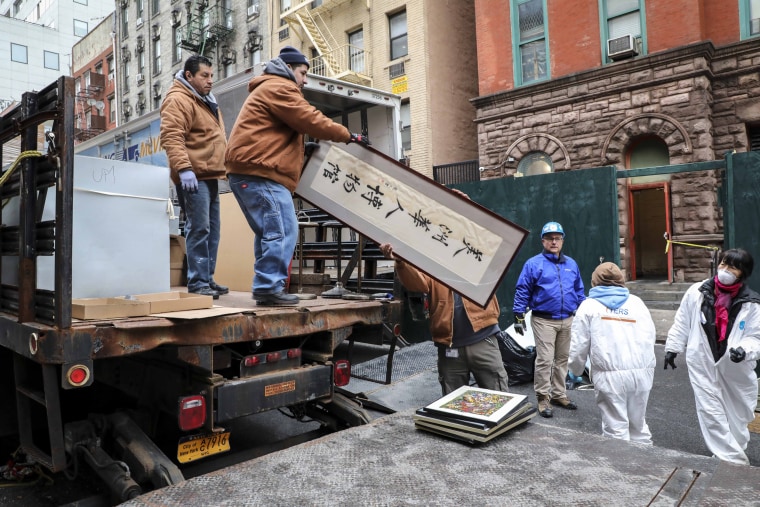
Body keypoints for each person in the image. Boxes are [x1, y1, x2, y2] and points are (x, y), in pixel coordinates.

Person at [225, 46, 365, 306]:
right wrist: (348, 135)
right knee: (283, 229)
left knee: (270, 232)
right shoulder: (280, 86)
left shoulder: (269, 88)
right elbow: (309, 119)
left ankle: (268, 285)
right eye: (302, 72)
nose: (305, 80)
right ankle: (268, 287)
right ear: (288, 68)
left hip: (250, 171)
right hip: (260, 174)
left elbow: (280, 135)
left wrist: (302, 153)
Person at [664, 248, 760, 465]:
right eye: (724, 263)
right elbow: (682, 322)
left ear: (743, 272)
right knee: (711, 411)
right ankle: (734, 461)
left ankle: (733, 446)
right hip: (703, 362)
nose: (725, 270)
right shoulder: (696, 292)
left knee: (739, 414)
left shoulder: (752, 304)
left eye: (732, 266)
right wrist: (673, 347)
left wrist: (744, 350)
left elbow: (756, 336)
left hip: (736, 369)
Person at [379, 236, 509, 396]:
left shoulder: (476, 257)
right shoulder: (433, 264)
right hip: (449, 346)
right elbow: (416, 283)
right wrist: (400, 262)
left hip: (483, 341)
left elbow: (498, 260)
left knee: (499, 398)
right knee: (453, 404)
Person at [160, 55, 228, 299]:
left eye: (212, 75)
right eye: (205, 76)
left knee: (213, 229)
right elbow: (172, 135)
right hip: (193, 175)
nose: (210, 80)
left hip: (208, 174)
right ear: (189, 76)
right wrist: (183, 168)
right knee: (199, 228)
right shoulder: (178, 99)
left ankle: (207, 278)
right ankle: (198, 282)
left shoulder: (205, 99)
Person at [568, 262, 656, 444]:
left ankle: (622, 470)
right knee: (638, 426)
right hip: (642, 373)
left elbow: (578, 346)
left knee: (615, 429)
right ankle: (646, 467)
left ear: (594, 282)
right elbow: (650, 336)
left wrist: (575, 370)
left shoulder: (589, 306)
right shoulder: (637, 303)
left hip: (610, 375)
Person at [513, 221, 585, 418]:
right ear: (543, 241)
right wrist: (518, 315)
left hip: (567, 319)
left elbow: (579, 291)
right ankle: (543, 398)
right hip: (544, 320)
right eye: (550, 238)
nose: (554, 241)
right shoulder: (533, 264)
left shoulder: (571, 264)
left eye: (557, 238)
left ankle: (558, 394)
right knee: (545, 360)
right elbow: (522, 290)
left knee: (562, 359)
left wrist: (585, 312)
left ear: (562, 241)